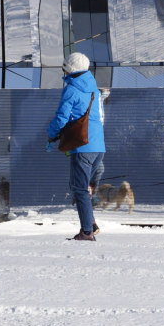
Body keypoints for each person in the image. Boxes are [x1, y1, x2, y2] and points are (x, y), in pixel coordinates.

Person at [46, 52, 106, 241]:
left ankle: (87, 231)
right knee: (79, 186)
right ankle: (91, 223)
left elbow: (62, 117)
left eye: (64, 67)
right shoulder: (95, 89)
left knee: (79, 189)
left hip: (82, 146)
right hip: (98, 146)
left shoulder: (71, 88)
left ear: (69, 69)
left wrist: (51, 135)